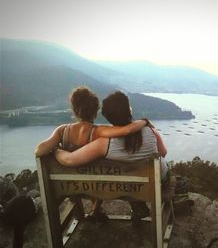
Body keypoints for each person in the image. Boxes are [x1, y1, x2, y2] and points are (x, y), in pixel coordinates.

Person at [54, 91, 168, 224]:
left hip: (123, 186)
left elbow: (70, 159)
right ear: (129, 109)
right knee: (143, 173)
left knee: (128, 175)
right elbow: (163, 152)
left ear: (108, 118)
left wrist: (55, 150)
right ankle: (139, 206)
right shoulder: (151, 131)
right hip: (154, 183)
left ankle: (136, 206)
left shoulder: (103, 144)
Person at [35, 86, 148, 157]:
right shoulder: (99, 132)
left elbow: (39, 151)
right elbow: (127, 130)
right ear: (96, 110)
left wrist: (55, 150)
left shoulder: (62, 131)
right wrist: (143, 121)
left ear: (74, 109)